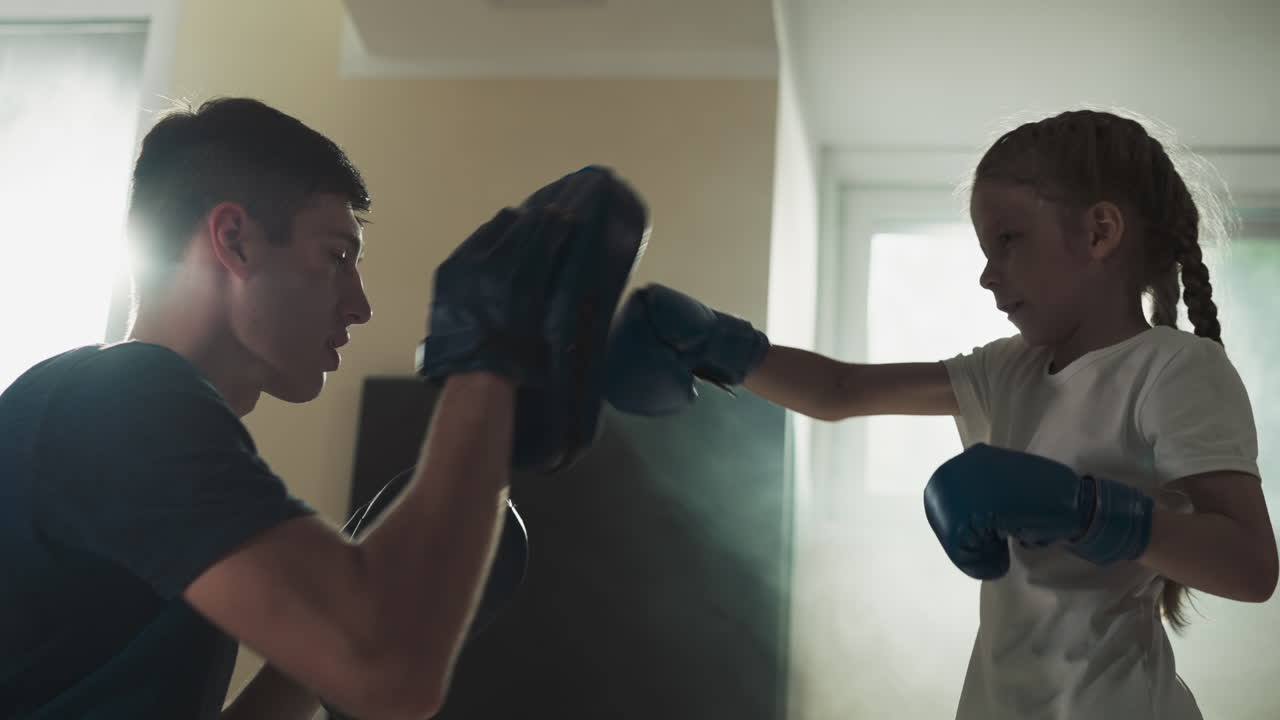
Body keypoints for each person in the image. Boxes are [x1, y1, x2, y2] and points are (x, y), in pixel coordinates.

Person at [605, 108, 1278, 719]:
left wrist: (1084, 509)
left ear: (1099, 231)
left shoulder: (1172, 367)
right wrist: (718, 344)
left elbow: (1251, 566)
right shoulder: (1006, 369)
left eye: (1008, 240)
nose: (987, 275)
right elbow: (843, 391)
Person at [0, 97, 646, 720]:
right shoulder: (123, 396)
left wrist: (326, 645)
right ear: (236, 240)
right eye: (336, 255)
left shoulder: (124, 420)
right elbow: (390, 672)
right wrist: (487, 361)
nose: (360, 305)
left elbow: (370, 665)